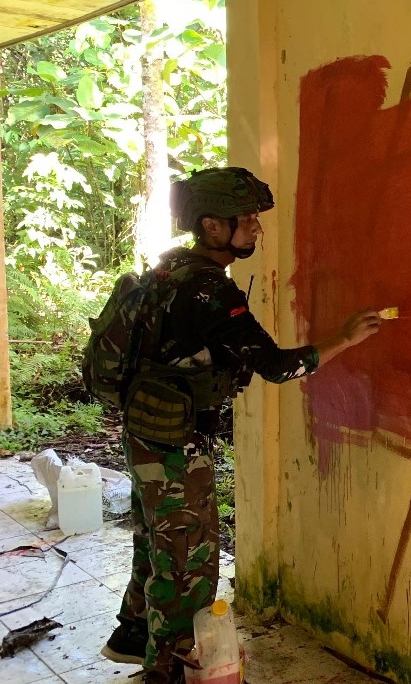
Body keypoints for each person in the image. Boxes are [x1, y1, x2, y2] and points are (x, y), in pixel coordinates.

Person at [100, 167, 381, 684]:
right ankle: (169, 671)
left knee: (156, 540)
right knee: (190, 562)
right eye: (247, 219)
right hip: (174, 446)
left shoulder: (169, 270)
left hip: (143, 431)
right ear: (213, 226)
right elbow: (276, 366)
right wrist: (344, 339)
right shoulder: (209, 292)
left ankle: (134, 633)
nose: (257, 228)